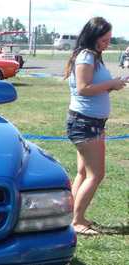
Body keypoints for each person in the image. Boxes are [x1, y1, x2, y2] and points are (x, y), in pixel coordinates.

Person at [64, 17, 126, 236]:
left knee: (83, 172)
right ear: (93, 37)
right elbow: (83, 88)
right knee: (95, 174)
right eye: (104, 39)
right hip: (85, 124)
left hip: (88, 122)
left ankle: (72, 215)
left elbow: (92, 89)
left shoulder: (92, 57)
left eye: (109, 39)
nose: (107, 43)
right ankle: (77, 221)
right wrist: (111, 83)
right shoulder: (87, 56)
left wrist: (112, 86)